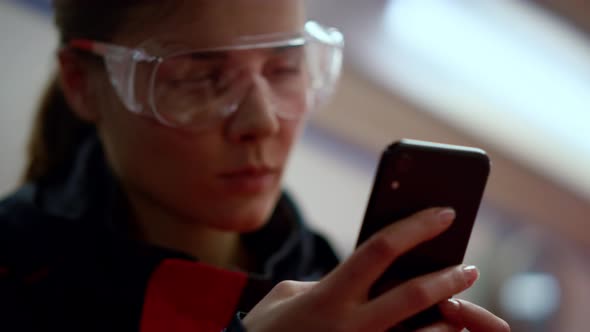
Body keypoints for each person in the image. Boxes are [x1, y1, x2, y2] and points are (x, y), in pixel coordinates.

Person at [0, 1, 509, 331]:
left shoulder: (330, 281)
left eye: (284, 68)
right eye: (200, 77)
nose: (262, 121)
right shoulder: (17, 276)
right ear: (82, 84)